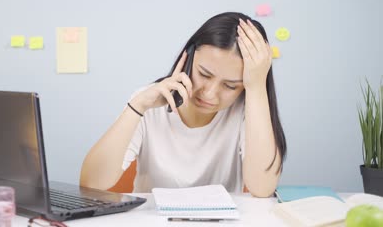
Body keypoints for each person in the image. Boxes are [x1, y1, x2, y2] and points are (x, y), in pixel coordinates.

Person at [80, 12, 286, 197]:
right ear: (187, 58)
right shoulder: (148, 102)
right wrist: (138, 106)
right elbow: (91, 183)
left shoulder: (246, 111)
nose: (210, 94)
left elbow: (262, 188)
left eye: (231, 86)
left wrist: (258, 87)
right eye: (204, 74)